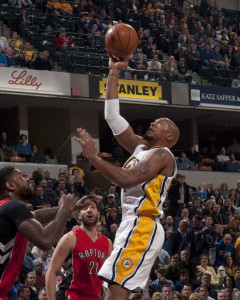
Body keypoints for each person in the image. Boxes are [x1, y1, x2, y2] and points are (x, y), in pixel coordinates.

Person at [73, 55, 180, 300]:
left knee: (116, 288)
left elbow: (127, 179)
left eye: (161, 123)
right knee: (113, 287)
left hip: (143, 223)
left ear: (170, 137)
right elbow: (112, 118)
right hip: (131, 222)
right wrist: (113, 72)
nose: (154, 122)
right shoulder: (142, 148)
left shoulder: (163, 155)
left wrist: (94, 158)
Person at [0, 166, 78, 299]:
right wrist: (65, 209)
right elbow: (45, 241)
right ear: (10, 185)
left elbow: (35, 216)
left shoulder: (5, 207)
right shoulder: (14, 206)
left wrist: (74, 206)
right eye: (21, 176)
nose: (27, 179)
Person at [46, 195, 112, 299]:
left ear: (98, 215)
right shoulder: (69, 238)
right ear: (79, 216)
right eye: (85, 208)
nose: (89, 210)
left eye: (92, 207)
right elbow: (51, 272)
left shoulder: (107, 243)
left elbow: (109, 275)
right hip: (71, 296)